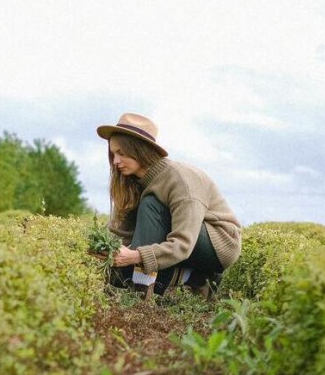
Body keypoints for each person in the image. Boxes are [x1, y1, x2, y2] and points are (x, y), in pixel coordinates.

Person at [96, 113, 241, 298]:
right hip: (181, 242)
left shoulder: (180, 180)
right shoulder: (131, 182)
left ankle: (141, 292)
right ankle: (197, 279)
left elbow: (182, 244)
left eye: (121, 154)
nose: (115, 162)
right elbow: (120, 235)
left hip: (218, 244)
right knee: (116, 275)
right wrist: (106, 253)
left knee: (150, 204)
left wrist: (135, 257)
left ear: (139, 150)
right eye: (113, 154)